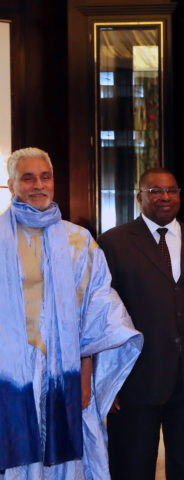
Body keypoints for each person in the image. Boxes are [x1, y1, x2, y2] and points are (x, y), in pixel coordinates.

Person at [0, 147, 142, 479]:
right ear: (11, 184)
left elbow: (94, 310)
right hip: (9, 370)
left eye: (45, 176)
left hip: (63, 367)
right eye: (28, 177)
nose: (38, 184)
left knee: (65, 455)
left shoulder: (78, 240)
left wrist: (85, 370)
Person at [97, 167, 184, 479]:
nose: (164, 197)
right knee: (131, 468)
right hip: (135, 378)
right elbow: (100, 315)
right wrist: (106, 379)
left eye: (171, 190)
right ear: (139, 197)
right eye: (154, 191)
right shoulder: (113, 243)